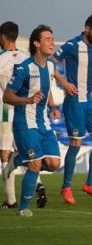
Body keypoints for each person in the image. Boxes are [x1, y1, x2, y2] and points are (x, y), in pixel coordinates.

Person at [2, 25, 61, 217]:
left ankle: (18, 159)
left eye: (52, 38)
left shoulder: (51, 66)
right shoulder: (24, 68)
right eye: (47, 39)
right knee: (35, 164)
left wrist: (53, 107)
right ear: (36, 43)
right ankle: (23, 208)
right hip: (24, 122)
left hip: (43, 122)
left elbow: (47, 88)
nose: (52, 42)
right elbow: (7, 97)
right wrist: (27, 99)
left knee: (53, 164)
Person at [53, 12, 92, 205]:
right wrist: (64, 83)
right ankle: (66, 187)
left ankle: (90, 184)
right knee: (75, 144)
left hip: (91, 101)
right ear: (87, 28)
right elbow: (50, 62)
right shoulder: (72, 45)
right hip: (75, 102)